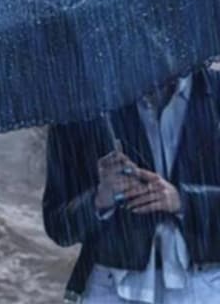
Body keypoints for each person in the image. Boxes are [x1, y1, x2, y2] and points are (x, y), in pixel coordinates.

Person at [43, 67, 220, 303]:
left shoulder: (215, 96)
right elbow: (58, 226)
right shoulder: (81, 106)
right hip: (108, 287)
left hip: (205, 285)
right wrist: (99, 199)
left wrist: (182, 201)